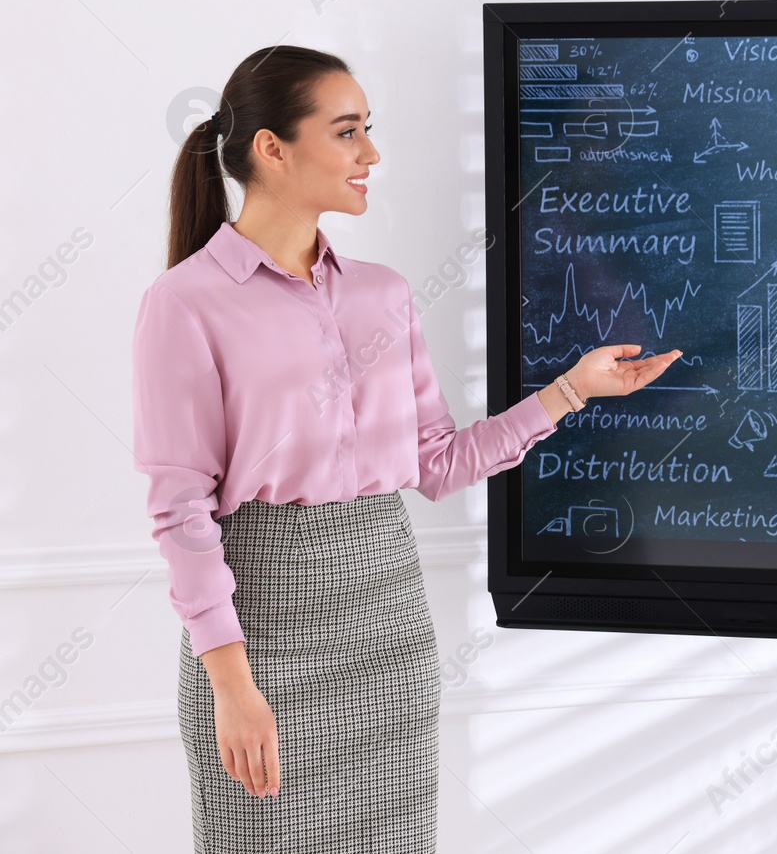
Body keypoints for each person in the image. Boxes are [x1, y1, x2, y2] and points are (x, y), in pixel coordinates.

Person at [131, 45, 681, 851]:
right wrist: (231, 683)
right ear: (271, 149)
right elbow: (180, 509)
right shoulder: (184, 304)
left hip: (389, 621)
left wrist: (570, 390)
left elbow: (437, 462)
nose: (371, 154)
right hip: (263, 637)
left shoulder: (383, 293)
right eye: (347, 132)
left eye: (369, 130)